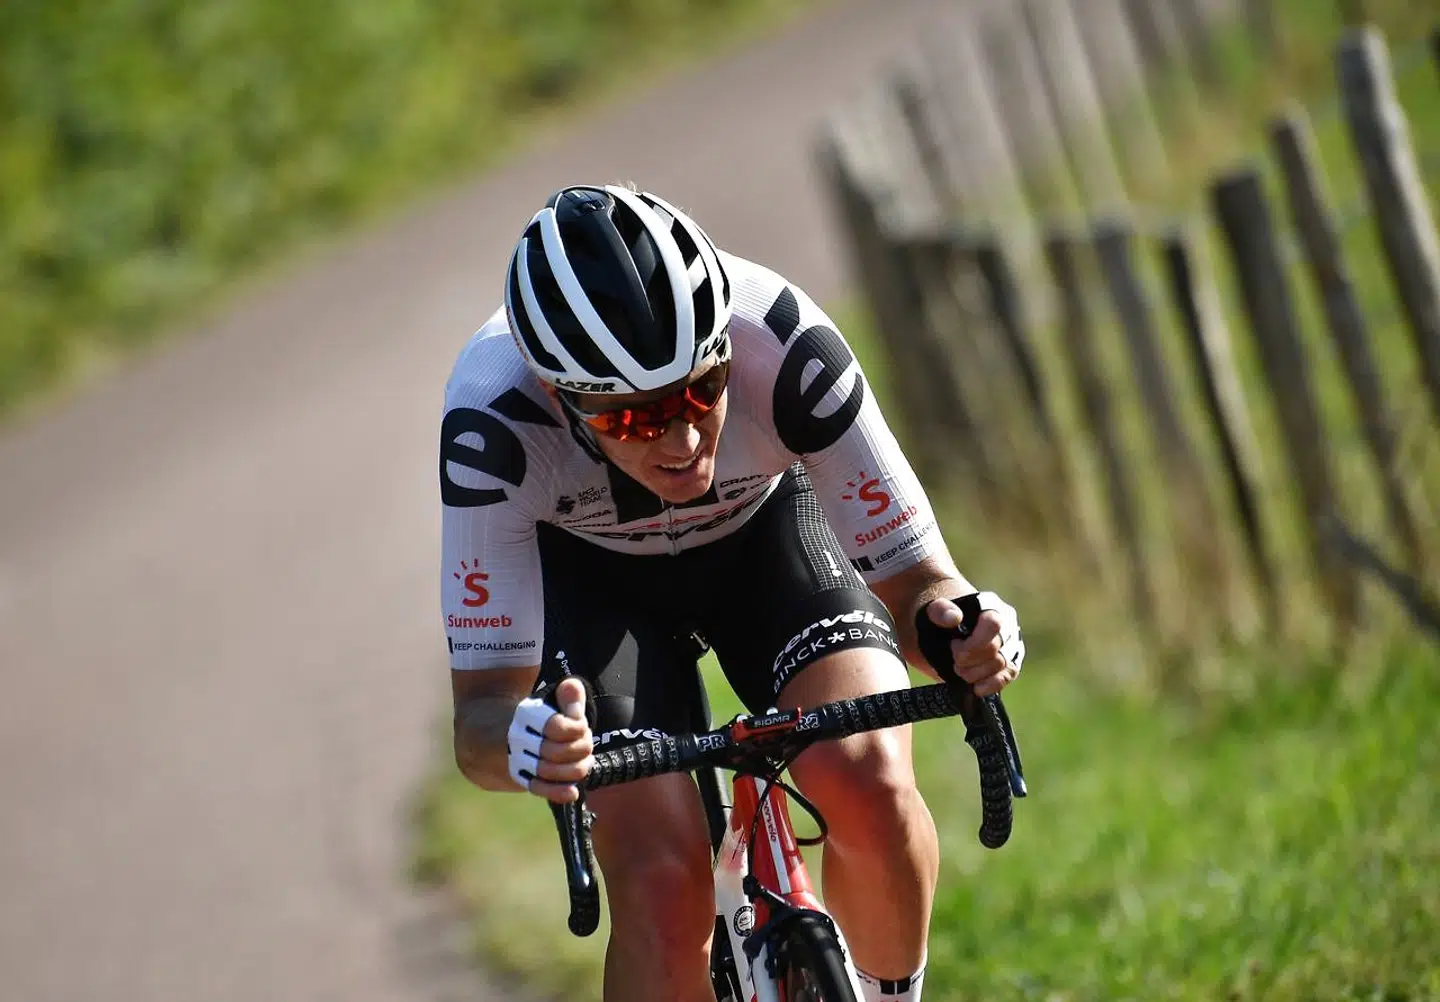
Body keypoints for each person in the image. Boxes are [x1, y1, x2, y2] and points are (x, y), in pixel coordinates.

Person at [439, 183, 1025, 1002]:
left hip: (765, 538)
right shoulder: (492, 420)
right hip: (593, 584)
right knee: (661, 885)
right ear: (563, 402)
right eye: (635, 420)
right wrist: (532, 742)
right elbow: (479, 722)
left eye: (701, 392)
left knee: (872, 785)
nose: (682, 440)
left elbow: (921, 587)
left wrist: (966, 632)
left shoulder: (782, 343)